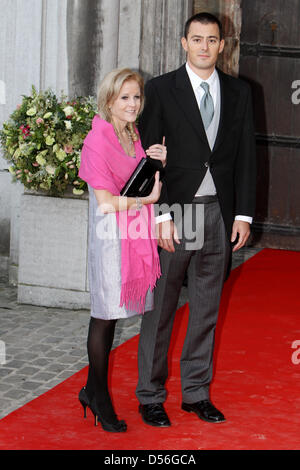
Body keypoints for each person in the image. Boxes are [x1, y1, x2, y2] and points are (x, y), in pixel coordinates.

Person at [136, 12, 256, 426]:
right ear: (183, 43)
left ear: (223, 45)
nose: (204, 46)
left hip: (219, 215)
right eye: (197, 39)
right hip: (178, 213)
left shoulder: (240, 93)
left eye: (212, 39)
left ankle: (196, 393)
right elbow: (149, 158)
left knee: (206, 308)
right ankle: (150, 396)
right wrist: (160, 215)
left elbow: (246, 157)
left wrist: (242, 214)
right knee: (162, 309)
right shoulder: (160, 90)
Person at [78, 68, 167, 432]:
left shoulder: (130, 132)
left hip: (127, 231)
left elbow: (130, 175)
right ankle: (98, 397)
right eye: (125, 98)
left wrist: (153, 159)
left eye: (136, 97)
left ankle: (91, 390)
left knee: (109, 316)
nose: (132, 104)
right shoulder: (98, 139)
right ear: (109, 100)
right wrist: (148, 199)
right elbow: (104, 202)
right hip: (110, 237)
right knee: (104, 314)